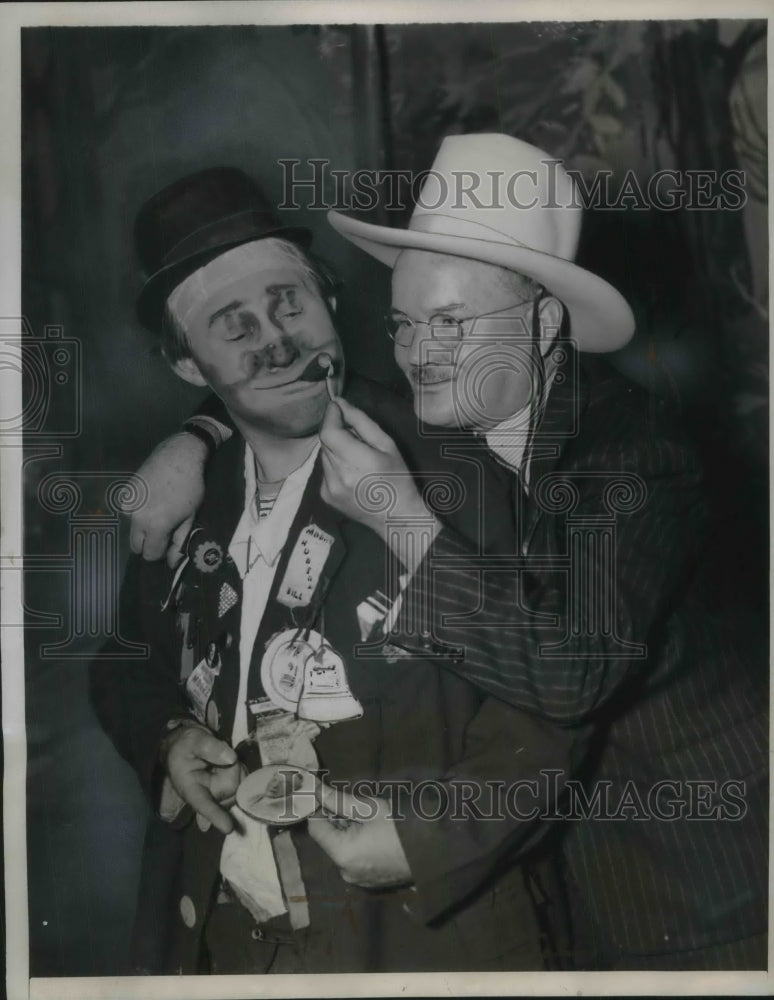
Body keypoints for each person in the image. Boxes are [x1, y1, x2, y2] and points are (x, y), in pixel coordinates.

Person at [130, 136, 768, 971]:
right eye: (402, 322)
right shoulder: (461, 410)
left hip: (707, 892)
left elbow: (569, 669)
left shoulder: (634, 454)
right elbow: (298, 384)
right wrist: (198, 436)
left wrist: (398, 516)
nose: (416, 354)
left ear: (546, 325)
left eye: (452, 323)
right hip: (558, 886)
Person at [90, 166, 577, 976]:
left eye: (290, 302)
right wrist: (166, 737)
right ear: (187, 369)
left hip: (412, 945)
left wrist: (430, 840)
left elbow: (553, 708)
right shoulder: (181, 498)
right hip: (223, 944)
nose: (277, 340)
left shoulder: (455, 471)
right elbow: (124, 659)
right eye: (232, 325)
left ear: (333, 304)